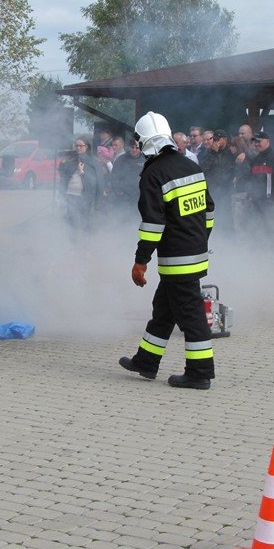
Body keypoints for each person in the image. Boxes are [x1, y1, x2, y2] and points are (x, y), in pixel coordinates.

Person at [119, 111, 215, 390]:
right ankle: (146, 361)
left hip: (176, 258)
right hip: (195, 252)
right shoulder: (191, 166)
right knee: (164, 309)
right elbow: (209, 210)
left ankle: (199, 373)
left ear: (145, 142)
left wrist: (140, 261)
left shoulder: (153, 174)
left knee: (192, 314)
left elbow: (152, 224)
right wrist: (199, 239)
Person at [59, 136, 104, 236]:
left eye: (81, 146)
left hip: (85, 197)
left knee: (85, 222)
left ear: (86, 146)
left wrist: (82, 172)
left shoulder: (93, 161)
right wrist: (62, 165)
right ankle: (72, 244)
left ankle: (85, 245)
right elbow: (64, 176)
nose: (78, 148)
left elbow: (97, 182)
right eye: (76, 146)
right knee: (71, 221)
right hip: (71, 195)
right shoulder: (72, 159)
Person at [109, 138, 145, 207]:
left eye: (137, 148)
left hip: (140, 197)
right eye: (132, 147)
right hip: (124, 198)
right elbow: (114, 177)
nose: (134, 150)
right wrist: (118, 191)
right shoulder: (121, 159)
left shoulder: (146, 160)